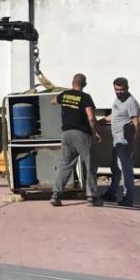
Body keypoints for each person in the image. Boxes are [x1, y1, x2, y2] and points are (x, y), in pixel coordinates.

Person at [50, 73, 101, 207]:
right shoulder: (85, 97)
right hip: (82, 134)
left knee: (65, 164)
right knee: (90, 164)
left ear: (72, 83)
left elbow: (53, 101)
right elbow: (91, 117)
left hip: (66, 134)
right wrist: (95, 132)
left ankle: (56, 195)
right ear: (84, 84)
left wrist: (65, 99)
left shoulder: (64, 94)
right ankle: (91, 197)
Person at [101, 77, 140, 207]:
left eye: (121, 90)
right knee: (116, 168)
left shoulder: (131, 102)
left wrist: (133, 142)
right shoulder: (118, 99)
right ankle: (111, 193)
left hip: (125, 140)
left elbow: (136, 123)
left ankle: (128, 198)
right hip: (116, 139)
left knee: (126, 170)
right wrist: (101, 121)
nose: (118, 92)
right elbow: (116, 115)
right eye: (116, 90)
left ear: (127, 88)